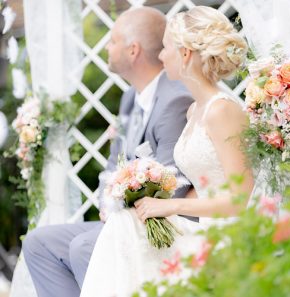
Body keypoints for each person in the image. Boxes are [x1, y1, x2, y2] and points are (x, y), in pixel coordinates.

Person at [80, 6, 254, 297]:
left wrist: (171, 206)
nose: (160, 56)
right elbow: (205, 182)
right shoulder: (192, 111)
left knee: (123, 230)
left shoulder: (222, 111)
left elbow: (241, 199)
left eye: (165, 48)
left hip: (225, 236)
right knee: (124, 226)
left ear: (185, 54)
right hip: (199, 228)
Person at [22, 7, 194, 297]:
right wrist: (106, 203)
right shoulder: (131, 98)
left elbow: (171, 186)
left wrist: (117, 211)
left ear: (133, 50)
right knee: (39, 243)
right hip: (119, 218)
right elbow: (113, 167)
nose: (106, 46)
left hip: (160, 225)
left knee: (85, 246)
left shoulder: (173, 101)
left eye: (113, 40)